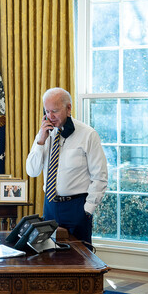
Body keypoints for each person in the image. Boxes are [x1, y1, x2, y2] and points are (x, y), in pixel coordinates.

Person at [26, 87, 108, 246]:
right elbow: (32, 171)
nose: (50, 116)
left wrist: (87, 210)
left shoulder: (88, 134)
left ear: (68, 108)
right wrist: (40, 141)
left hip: (76, 207)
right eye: (47, 111)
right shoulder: (44, 134)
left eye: (55, 111)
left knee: (81, 257)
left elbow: (100, 176)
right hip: (50, 206)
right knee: (48, 254)